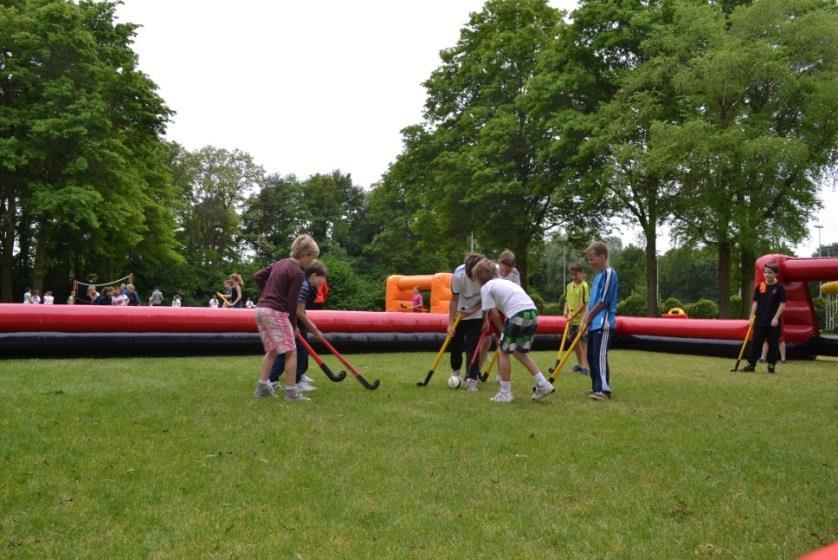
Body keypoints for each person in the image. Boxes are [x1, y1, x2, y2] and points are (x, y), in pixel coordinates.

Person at [471, 258, 554, 403]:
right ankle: (543, 383)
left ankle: (505, 393)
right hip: (532, 313)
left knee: (503, 350)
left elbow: (494, 314)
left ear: (478, 277)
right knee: (519, 350)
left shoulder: (486, 287)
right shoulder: (505, 282)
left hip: (517, 314)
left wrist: (502, 330)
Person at [252, 234, 320, 401]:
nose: (311, 264)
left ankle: (262, 387)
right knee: (291, 351)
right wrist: (293, 325)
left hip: (261, 310)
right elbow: (291, 303)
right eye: (312, 259)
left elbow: (258, 276)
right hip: (276, 312)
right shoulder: (297, 273)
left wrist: (268, 293)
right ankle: (291, 392)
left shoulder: (280, 263)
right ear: (306, 255)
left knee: (272, 350)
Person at [268, 260, 328, 393]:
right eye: (322, 277)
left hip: (292, 318)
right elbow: (298, 311)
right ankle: (288, 378)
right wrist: (315, 330)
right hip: (288, 318)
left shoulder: (309, 287)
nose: (323, 281)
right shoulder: (304, 286)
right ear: (313, 275)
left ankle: (296, 375)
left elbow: (301, 310)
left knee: (297, 348)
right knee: (293, 349)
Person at [580, 241, 618, 401]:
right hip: (593, 323)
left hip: (604, 322)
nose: (591, 262)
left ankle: (604, 388)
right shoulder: (597, 277)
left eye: (592, 259)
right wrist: (585, 319)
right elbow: (591, 301)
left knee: (599, 355)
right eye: (589, 259)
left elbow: (603, 300)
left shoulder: (610, 273)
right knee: (590, 356)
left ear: (602, 257)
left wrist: (590, 316)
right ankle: (596, 386)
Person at [448, 252, 486, 392]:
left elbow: (485, 299)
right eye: (471, 275)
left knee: (473, 346)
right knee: (456, 343)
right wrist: (450, 324)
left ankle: (472, 378)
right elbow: (453, 299)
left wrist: (473, 310)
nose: (474, 278)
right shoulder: (458, 275)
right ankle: (455, 372)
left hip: (477, 313)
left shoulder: (485, 275)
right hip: (460, 313)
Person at [742, 263, 786, 373]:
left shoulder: (780, 288)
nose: (767, 275)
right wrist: (751, 316)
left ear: (775, 274)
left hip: (773, 322)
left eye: (770, 273)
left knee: (773, 344)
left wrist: (776, 318)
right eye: (765, 272)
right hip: (760, 321)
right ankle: (751, 365)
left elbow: (782, 304)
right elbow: (755, 303)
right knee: (755, 344)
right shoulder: (760, 287)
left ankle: (771, 366)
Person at [564, 262, 590, 376]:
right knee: (574, 343)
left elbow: (584, 304)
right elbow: (567, 301)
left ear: (582, 273)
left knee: (583, 343)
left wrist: (573, 316)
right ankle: (579, 364)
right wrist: (565, 311)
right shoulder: (569, 286)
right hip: (571, 320)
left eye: (576, 274)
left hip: (581, 320)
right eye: (572, 275)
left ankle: (585, 366)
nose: (574, 277)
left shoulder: (584, 286)